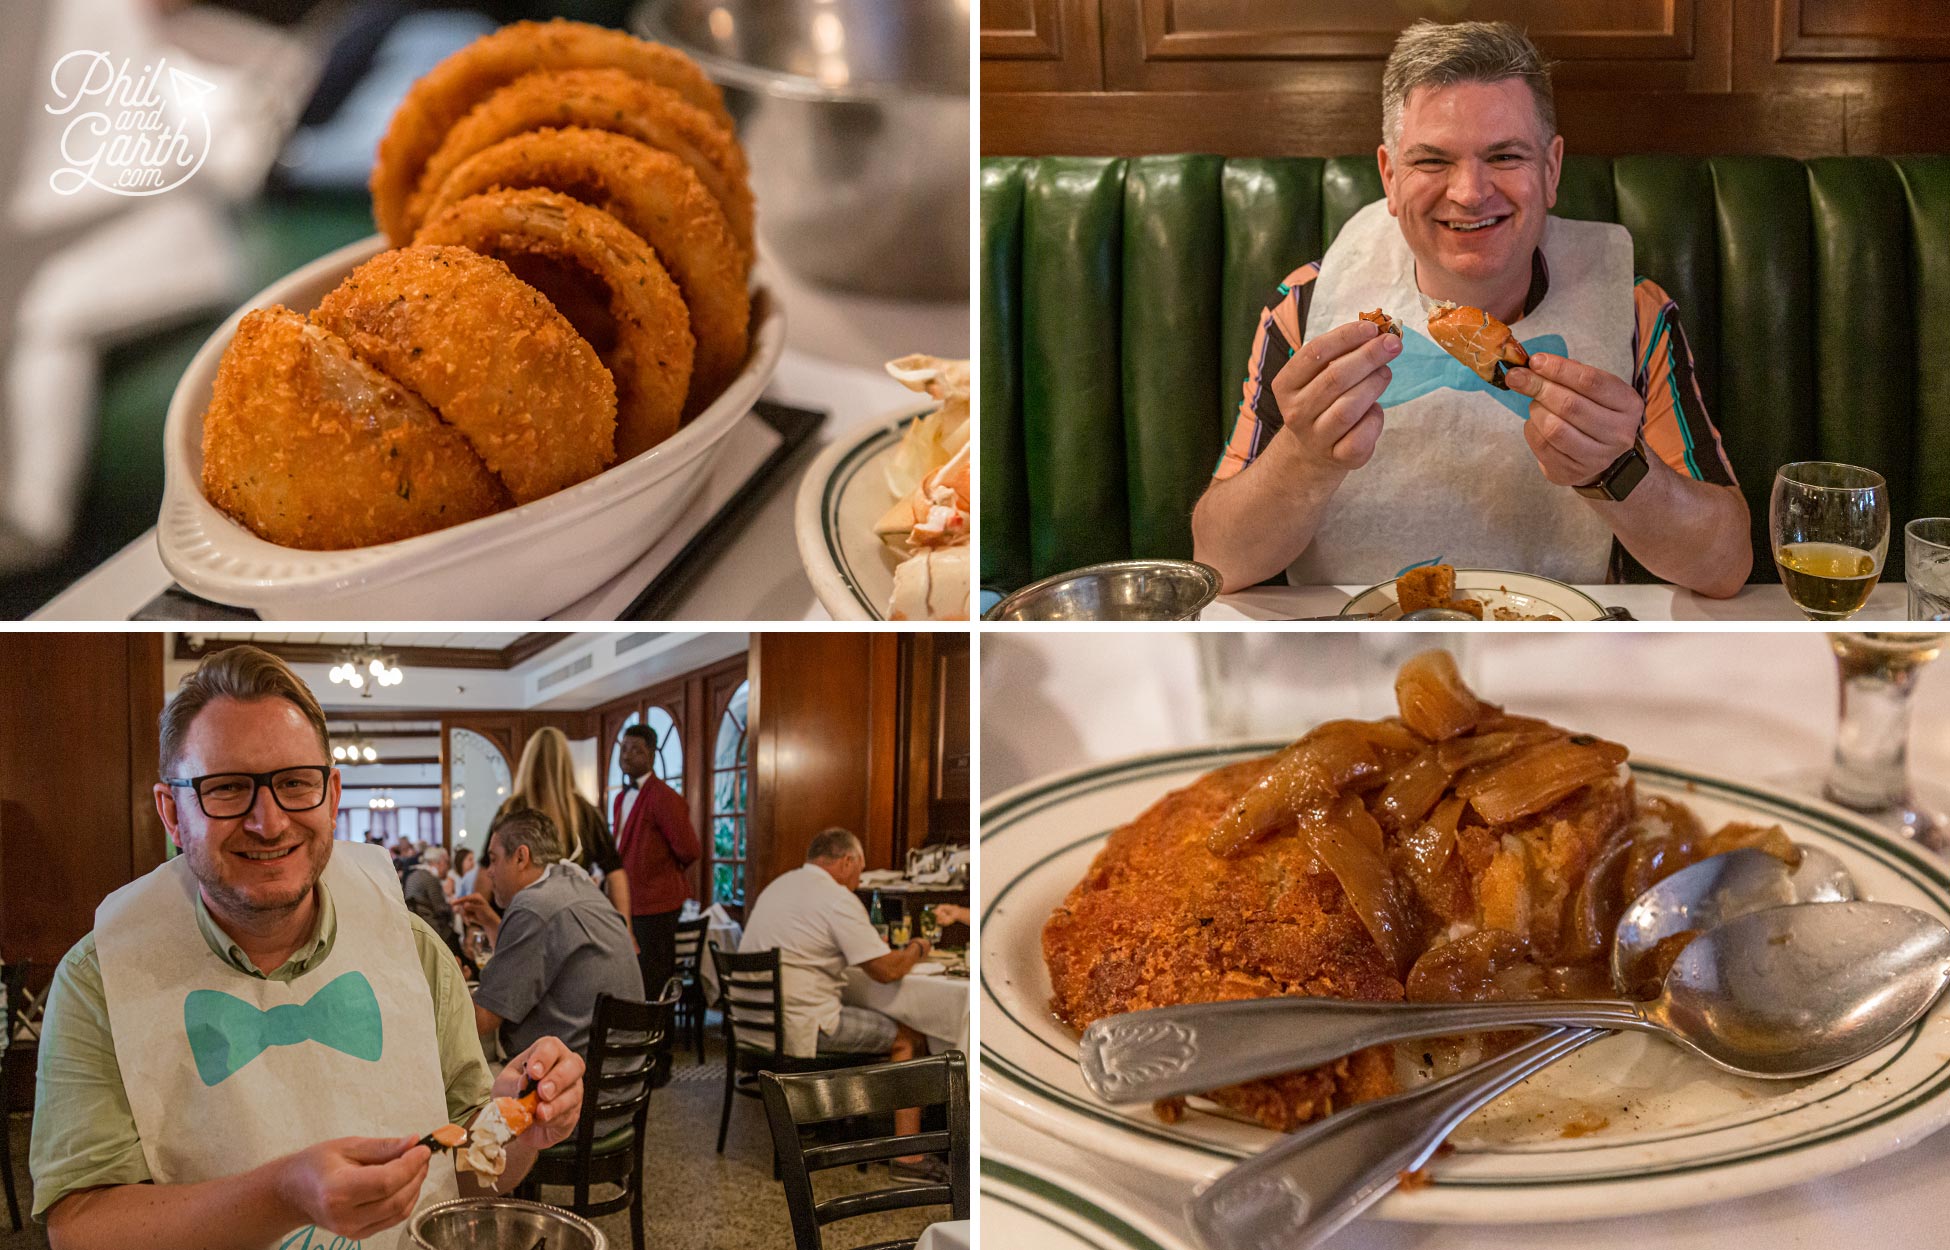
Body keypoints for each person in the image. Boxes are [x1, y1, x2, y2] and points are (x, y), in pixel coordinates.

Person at [28, 645, 585, 1250]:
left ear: (332, 793)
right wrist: (283, 1195)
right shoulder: (98, 979)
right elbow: (79, 1227)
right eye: (226, 788)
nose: (268, 822)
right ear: (170, 811)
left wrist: (518, 1121)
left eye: (295, 783)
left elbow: (472, 1167)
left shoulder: (415, 951)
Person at [1191, 20, 1751, 599]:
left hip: (1564, 654)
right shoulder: (1308, 305)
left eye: (1505, 156)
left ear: (1551, 170)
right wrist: (1305, 457)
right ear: (1389, 175)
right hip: (1352, 653)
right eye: (1432, 161)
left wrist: (1618, 471)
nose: (1469, 192)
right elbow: (1218, 561)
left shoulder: (1633, 310)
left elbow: (1725, 564)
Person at [739, 828, 943, 1185]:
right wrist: (917, 948)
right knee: (908, 1035)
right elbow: (885, 970)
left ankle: (825, 1120)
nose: (859, 880)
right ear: (846, 861)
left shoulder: (779, 886)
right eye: (860, 869)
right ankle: (909, 1157)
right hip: (803, 1028)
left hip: (750, 1023)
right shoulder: (835, 898)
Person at [454, 808, 645, 1081]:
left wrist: (448, 987)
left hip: (571, 1091)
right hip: (621, 1081)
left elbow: (481, 1020)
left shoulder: (534, 906)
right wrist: (491, 923)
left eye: (494, 860)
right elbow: (531, 965)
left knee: (452, 1090)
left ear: (521, 857)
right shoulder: (578, 886)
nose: (490, 873)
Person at [496, 727, 630, 924]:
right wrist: (625, 927)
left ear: (528, 762)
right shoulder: (585, 812)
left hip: (522, 915)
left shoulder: (511, 810)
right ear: (566, 764)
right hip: (575, 917)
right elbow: (615, 872)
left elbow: (489, 869)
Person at [612, 724, 700, 1006]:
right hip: (628, 902)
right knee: (632, 975)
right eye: (624, 749)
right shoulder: (619, 798)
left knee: (655, 977)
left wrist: (656, 872)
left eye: (636, 750)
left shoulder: (664, 797)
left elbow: (689, 849)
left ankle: (659, 1046)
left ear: (651, 755)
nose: (627, 756)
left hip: (657, 904)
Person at [402, 846, 459, 960]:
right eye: (445, 863)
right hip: (432, 928)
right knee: (456, 937)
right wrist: (452, 906)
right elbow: (440, 908)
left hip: (415, 927)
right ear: (436, 863)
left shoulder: (413, 875)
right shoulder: (430, 879)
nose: (447, 867)